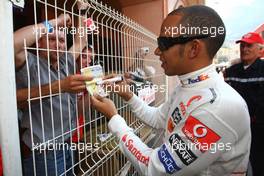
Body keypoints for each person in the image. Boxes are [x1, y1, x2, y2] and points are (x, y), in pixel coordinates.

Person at [90, 5, 251, 176]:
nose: (157, 51)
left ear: (193, 49)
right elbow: (157, 118)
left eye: (164, 43)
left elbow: (153, 169)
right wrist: (128, 95)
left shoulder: (217, 108)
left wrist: (114, 118)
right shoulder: (189, 86)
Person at [14, 1, 92, 175]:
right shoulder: (31, 63)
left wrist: (82, 11)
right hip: (42, 152)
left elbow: (81, 41)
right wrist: (56, 21)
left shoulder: (66, 62)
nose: (59, 45)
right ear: (39, 42)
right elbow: (12, 43)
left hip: (66, 144)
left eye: (62, 40)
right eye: (51, 39)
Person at [224, 32, 264, 176]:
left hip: (258, 130)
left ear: (260, 49)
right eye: (242, 45)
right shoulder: (230, 71)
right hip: (234, 129)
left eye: (249, 45)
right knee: (235, 164)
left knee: (258, 163)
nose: (244, 49)